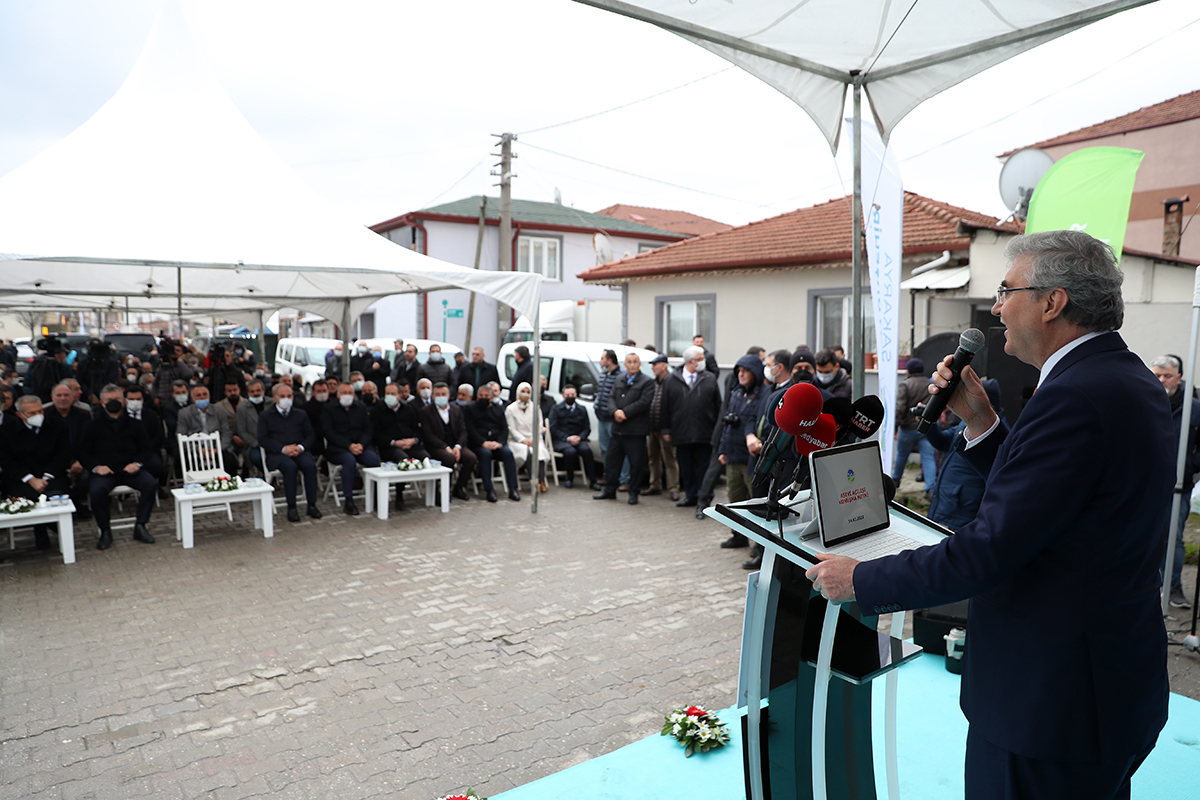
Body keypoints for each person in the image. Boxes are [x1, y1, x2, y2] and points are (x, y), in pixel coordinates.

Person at [806, 230, 1175, 800]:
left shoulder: (1073, 397)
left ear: (1053, 302)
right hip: (1105, 681)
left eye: (1006, 291)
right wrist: (981, 424)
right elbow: (1055, 507)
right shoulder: (1125, 380)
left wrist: (862, 578)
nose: (996, 308)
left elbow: (992, 548)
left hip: (1050, 703)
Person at [80, 384, 159, 550]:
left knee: (150, 484)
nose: (113, 402)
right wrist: (96, 467)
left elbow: (146, 449)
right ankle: (105, 531)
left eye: (116, 399)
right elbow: (84, 453)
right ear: (102, 402)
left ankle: (141, 525)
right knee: (96, 491)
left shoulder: (135, 424)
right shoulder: (91, 426)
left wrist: (137, 463)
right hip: (105, 472)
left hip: (130, 469)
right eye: (109, 400)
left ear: (123, 400)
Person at [1150, 353, 1200, 609]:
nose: (1161, 381)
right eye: (1157, 375)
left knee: (1174, 538)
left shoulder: (1194, 407)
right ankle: (1147, 587)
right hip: (1146, 484)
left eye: (1167, 376)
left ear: (1178, 378)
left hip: (1178, 485)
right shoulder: (1144, 400)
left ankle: (1173, 587)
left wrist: (1190, 466)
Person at [925, 379, 1003, 532]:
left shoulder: (998, 435)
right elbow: (943, 442)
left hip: (962, 513)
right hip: (946, 506)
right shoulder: (965, 424)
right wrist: (929, 424)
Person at [0, 394, 71, 550]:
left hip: (52, 475)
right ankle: (41, 529)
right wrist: (30, 479)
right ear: (20, 415)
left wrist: (46, 476)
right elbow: (7, 461)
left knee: (55, 494)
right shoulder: (6, 431)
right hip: (21, 478)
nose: (38, 416)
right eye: (32, 413)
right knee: (28, 496)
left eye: (40, 411)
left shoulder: (57, 425)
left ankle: (54, 529)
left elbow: (63, 455)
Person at [661, 346, 721, 511]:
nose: (704, 361)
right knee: (686, 468)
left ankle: (704, 499)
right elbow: (664, 407)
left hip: (704, 432)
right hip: (681, 432)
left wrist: (717, 430)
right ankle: (691, 495)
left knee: (703, 468)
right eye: (700, 359)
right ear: (690, 362)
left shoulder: (709, 378)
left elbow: (718, 406)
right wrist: (665, 429)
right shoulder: (671, 379)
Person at [715, 354, 766, 547]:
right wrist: (723, 450)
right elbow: (727, 425)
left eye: (745, 371)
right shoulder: (736, 393)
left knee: (755, 502)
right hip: (733, 456)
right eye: (739, 371)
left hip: (751, 460)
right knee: (735, 500)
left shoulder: (763, 394)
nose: (741, 375)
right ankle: (738, 536)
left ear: (755, 373)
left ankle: (759, 546)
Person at [593, 352, 653, 505]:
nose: (632, 364)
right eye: (629, 362)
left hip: (635, 431)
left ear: (640, 364)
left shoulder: (647, 382)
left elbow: (644, 403)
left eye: (635, 362)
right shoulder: (619, 379)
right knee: (612, 462)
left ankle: (633, 492)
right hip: (618, 429)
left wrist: (625, 413)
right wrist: (615, 411)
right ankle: (609, 490)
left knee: (636, 464)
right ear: (625, 364)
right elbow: (610, 397)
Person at [257, 383, 322, 522]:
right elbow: (263, 439)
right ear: (275, 397)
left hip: (299, 450)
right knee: (290, 468)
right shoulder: (266, 415)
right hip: (277, 454)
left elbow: (310, 435)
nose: (286, 399)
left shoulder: (300, 414)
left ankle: (312, 505)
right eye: (282, 396)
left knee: (310, 466)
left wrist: (300, 447)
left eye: (289, 396)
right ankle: (291, 507)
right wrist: (283, 448)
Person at [321, 382, 381, 515]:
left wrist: (361, 444)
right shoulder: (329, 409)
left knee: (373, 460)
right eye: (344, 393)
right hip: (339, 448)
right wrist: (348, 446)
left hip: (360, 446)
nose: (347, 396)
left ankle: (376, 497)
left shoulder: (361, 407)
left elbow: (368, 429)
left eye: (350, 393)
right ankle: (349, 501)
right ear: (338, 394)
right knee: (349, 461)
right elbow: (328, 432)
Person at [373, 381, 429, 509]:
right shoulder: (378, 410)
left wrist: (413, 440)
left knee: (425, 457)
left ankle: (434, 493)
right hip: (389, 446)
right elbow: (376, 434)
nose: (389, 396)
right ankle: (399, 495)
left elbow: (418, 429)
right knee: (402, 459)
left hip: (410, 444)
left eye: (393, 393)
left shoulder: (408, 409)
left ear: (399, 396)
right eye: (387, 393)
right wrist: (394, 442)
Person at [419, 382, 475, 501]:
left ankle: (459, 487)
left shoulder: (456, 409)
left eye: (443, 394)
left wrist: (458, 446)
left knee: (471, 457)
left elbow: (463, 431)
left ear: (449, 395)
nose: (440, 396)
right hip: (436, 446)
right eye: (437, 394)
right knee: (449, 458)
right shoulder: (426, 411)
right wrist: (446, 448)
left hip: (455, 444)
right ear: (433, 396)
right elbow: (428, 435)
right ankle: (442, 490)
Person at [464, 383, 519, 502]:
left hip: (495, 443)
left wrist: (499, 443)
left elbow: (504, 428)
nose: (483, 398)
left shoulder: (498, 409)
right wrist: (483, 442)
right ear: (477, 396)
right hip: (478, 445)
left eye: (486, 396)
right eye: (481, 395)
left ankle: (513, 488)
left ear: (492, 397)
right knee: (485, 454)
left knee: (508, 453)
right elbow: (470, 429)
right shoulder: (470, 408)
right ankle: (489, 490)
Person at [891, 358, 938, 490]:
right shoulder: (929, 384)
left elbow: (900, 407)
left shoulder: (905, 385)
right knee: (928, 456)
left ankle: (895, 481)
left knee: (902, 454)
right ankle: (930, 487)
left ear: (908, 370)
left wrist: (896, 426)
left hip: (908, 428)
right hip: (925, 427)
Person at [176, 384, 238, 476]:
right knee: (188, 463)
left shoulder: (219, 411)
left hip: (217, 448)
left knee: (230, 461)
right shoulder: (184, 413)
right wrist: (198, 450)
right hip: (195, 449)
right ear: (192, 399)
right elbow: (181, 435)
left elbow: (226, 433)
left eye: (205, 394)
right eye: (198, 395)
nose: (202, 397)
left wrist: (217, 449)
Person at [645, 354, 680, 500]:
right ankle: (655, 485)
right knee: (653, 458)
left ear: (664, 366)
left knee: (669, 459)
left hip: (666, 429)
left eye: (655, 364)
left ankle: (673, 488)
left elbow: (675, 408)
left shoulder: (672, 382)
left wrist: (669, 429)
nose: (652, 367)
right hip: (652, 427)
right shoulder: (653, 383)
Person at [549, 384, 597, 490]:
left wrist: (579, 437)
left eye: (573, 394)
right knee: (570, 452)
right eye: (568, 395)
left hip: (579, 439)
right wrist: (568, 438)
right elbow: (553, 428)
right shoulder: (556, 409)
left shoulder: (582, 409)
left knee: (586, 451)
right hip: (562, 440)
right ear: (563, 396)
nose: (570, 396)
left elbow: (587, 428)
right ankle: (569, 479)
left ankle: (593, 481)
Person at [506, 381, 550, 492]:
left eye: (528, 392)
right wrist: (523, 440)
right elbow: (511, 429)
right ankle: (533, 480)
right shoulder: (511, 409)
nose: (525, 394)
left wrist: (533, 439)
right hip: (517, 441)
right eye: (523, 391)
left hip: (534, 439)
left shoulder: (535, 407)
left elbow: (539, 425)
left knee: (538, 451)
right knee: (528, 452)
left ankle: (541, 480)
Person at [593, 349, 626, 486]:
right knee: (605, 449)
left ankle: (624, 479)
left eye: (602, 358)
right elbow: (600, 394)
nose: (600, 361)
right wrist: (596, 406)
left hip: (612, 419)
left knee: (619, 451)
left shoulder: (620, 376)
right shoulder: (603, 374)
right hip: (601, 417)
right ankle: (609, 475)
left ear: (609, 361)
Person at [234, 379, 273, 476]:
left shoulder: (272, 404)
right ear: (248, 393)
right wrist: (256, 443)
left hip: (273, 441)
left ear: (263, 390)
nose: (256, 393)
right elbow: (242, 430)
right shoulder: (242, 408)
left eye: (258, 390)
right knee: (257, 457)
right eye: (252, 391)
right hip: (254, 444)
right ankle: (266, 475)